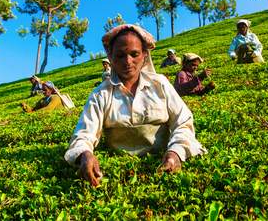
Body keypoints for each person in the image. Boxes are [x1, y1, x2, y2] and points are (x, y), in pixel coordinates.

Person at [64, 24, 207, 187]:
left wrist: (175, 152)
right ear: (110, 57)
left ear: (144, 55)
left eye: (134, 54)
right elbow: (84, 133)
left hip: (163, 161)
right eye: (119, 55)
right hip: (119, 173)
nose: (127, 62)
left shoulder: (160, 84)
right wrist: (85, 155)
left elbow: (183, 122)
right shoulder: (100, 94)